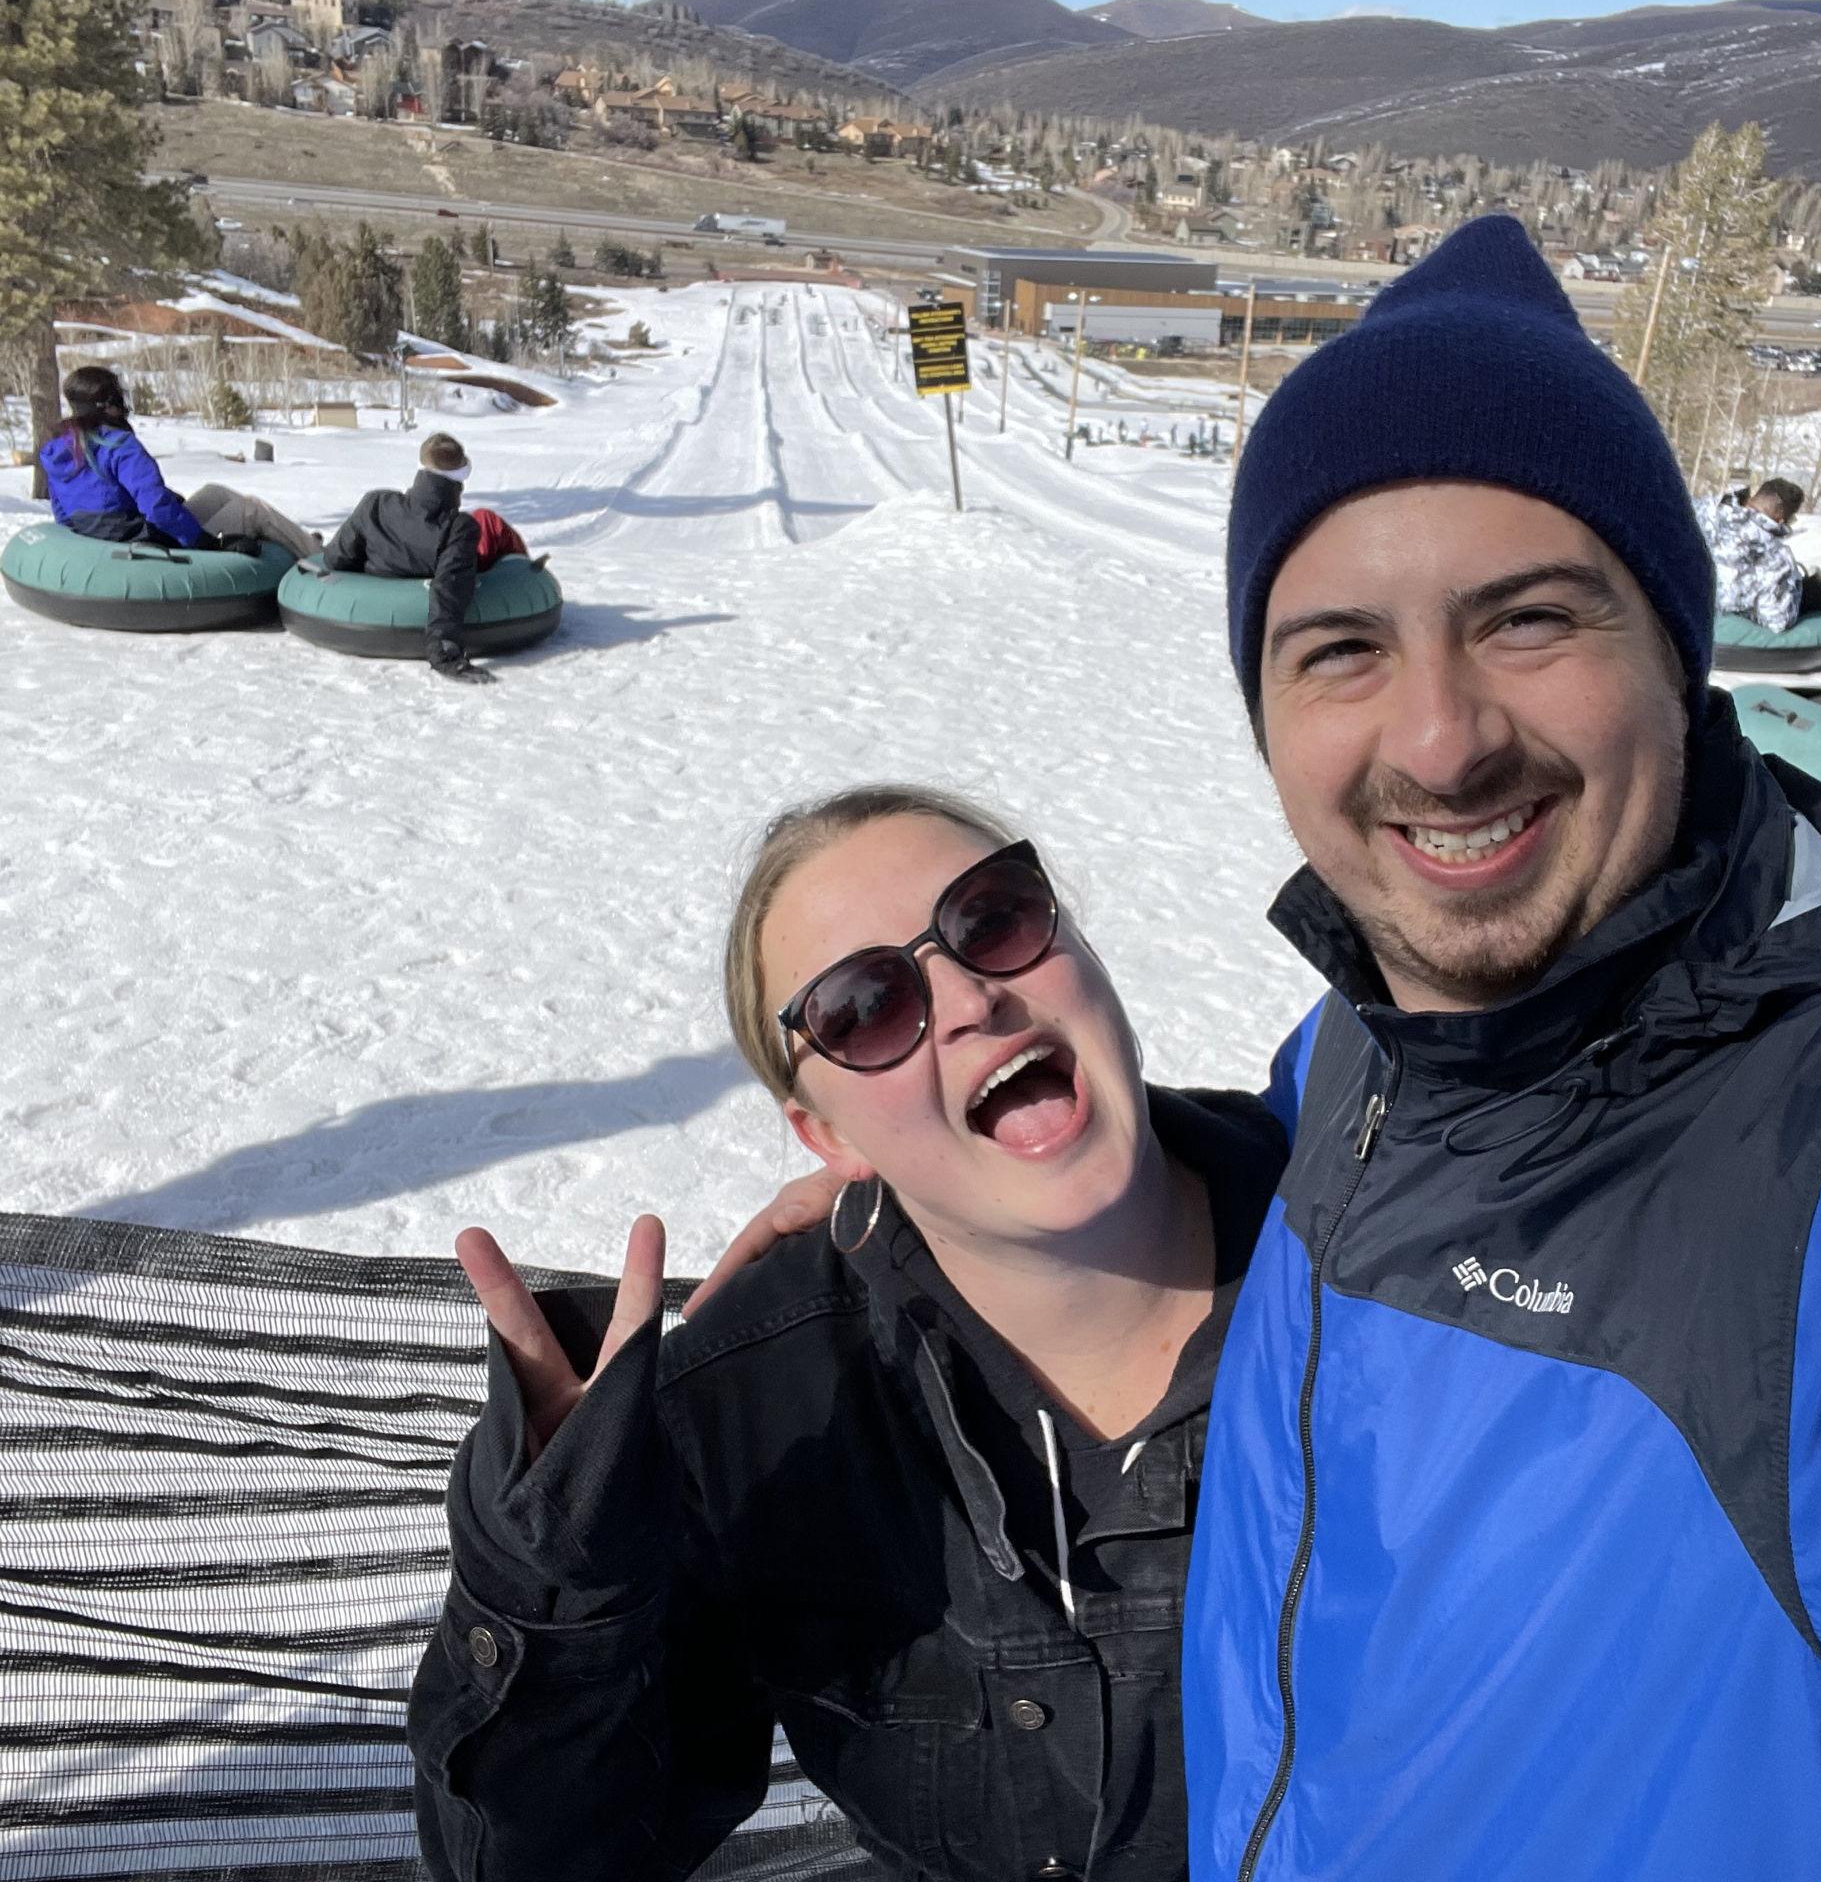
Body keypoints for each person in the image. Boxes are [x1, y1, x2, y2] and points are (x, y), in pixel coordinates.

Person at [714, 217, 1821, 1879]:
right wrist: (930, 1187)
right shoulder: (1369, 1044)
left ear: (1674, 646)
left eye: (1528, 619)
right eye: (1341, 648)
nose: (1439, 737)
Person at [407, 785, 1287, 1882]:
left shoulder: (1382, 1270)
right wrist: (557, 1594)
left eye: (994, 918)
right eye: (865, 1007)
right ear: (825, 1134)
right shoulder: (761, 1407)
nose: (968, 998)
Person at [37, 365, 319, 558]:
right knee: (252, 509)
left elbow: (62, 511)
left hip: (112, 536)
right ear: (108, 405)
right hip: (145, 539)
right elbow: (156, 507)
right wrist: (206, 542)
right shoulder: (120, 445)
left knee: (215, 493)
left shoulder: (58, 448)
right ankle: (318, 556)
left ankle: (299, 539)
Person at [321, 432, 490, 684]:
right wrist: (443, 652)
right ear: (461, 477)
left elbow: (336, 558)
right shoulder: (459, 527)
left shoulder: (375, 503)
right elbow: (449, 584)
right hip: (424, 603)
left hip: (367, 606)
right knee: (491, 525)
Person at [1702, 476, 1821, 632]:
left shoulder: (1705, 511)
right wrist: (1795, 589)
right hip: (1731, 620)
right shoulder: (1775, 557)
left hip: (1698, 602)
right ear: (1781, 519)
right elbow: (1778, 621)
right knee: (1816, 592)